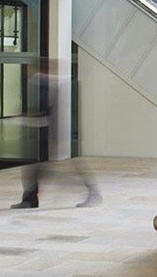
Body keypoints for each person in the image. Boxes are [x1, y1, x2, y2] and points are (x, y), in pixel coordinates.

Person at [11, 59, 100, 209]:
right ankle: (30, 199)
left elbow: (44, 110)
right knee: (37, 169)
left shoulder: (43, 83)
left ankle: (91, 192)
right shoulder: (55, 82)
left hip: (48, 133)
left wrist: (25, 117)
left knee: (42, 169)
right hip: (55, 132)